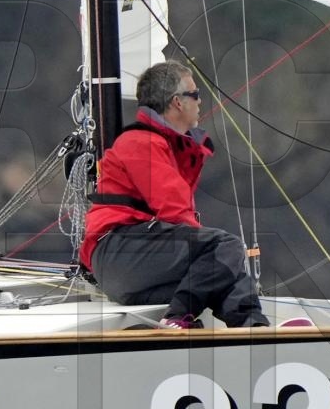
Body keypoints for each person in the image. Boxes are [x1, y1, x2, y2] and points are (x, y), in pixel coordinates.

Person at [79, 61, 269, 329]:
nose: (200, 101)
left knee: (218, 271)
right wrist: (211, 249)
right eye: (195, 94)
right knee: (225, 247)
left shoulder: (161, 144)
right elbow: (174, 209)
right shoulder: (141, 142)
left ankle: (254, 326)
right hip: (119, 253)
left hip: (135, 265)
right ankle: (179, 317)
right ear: (177, 102)